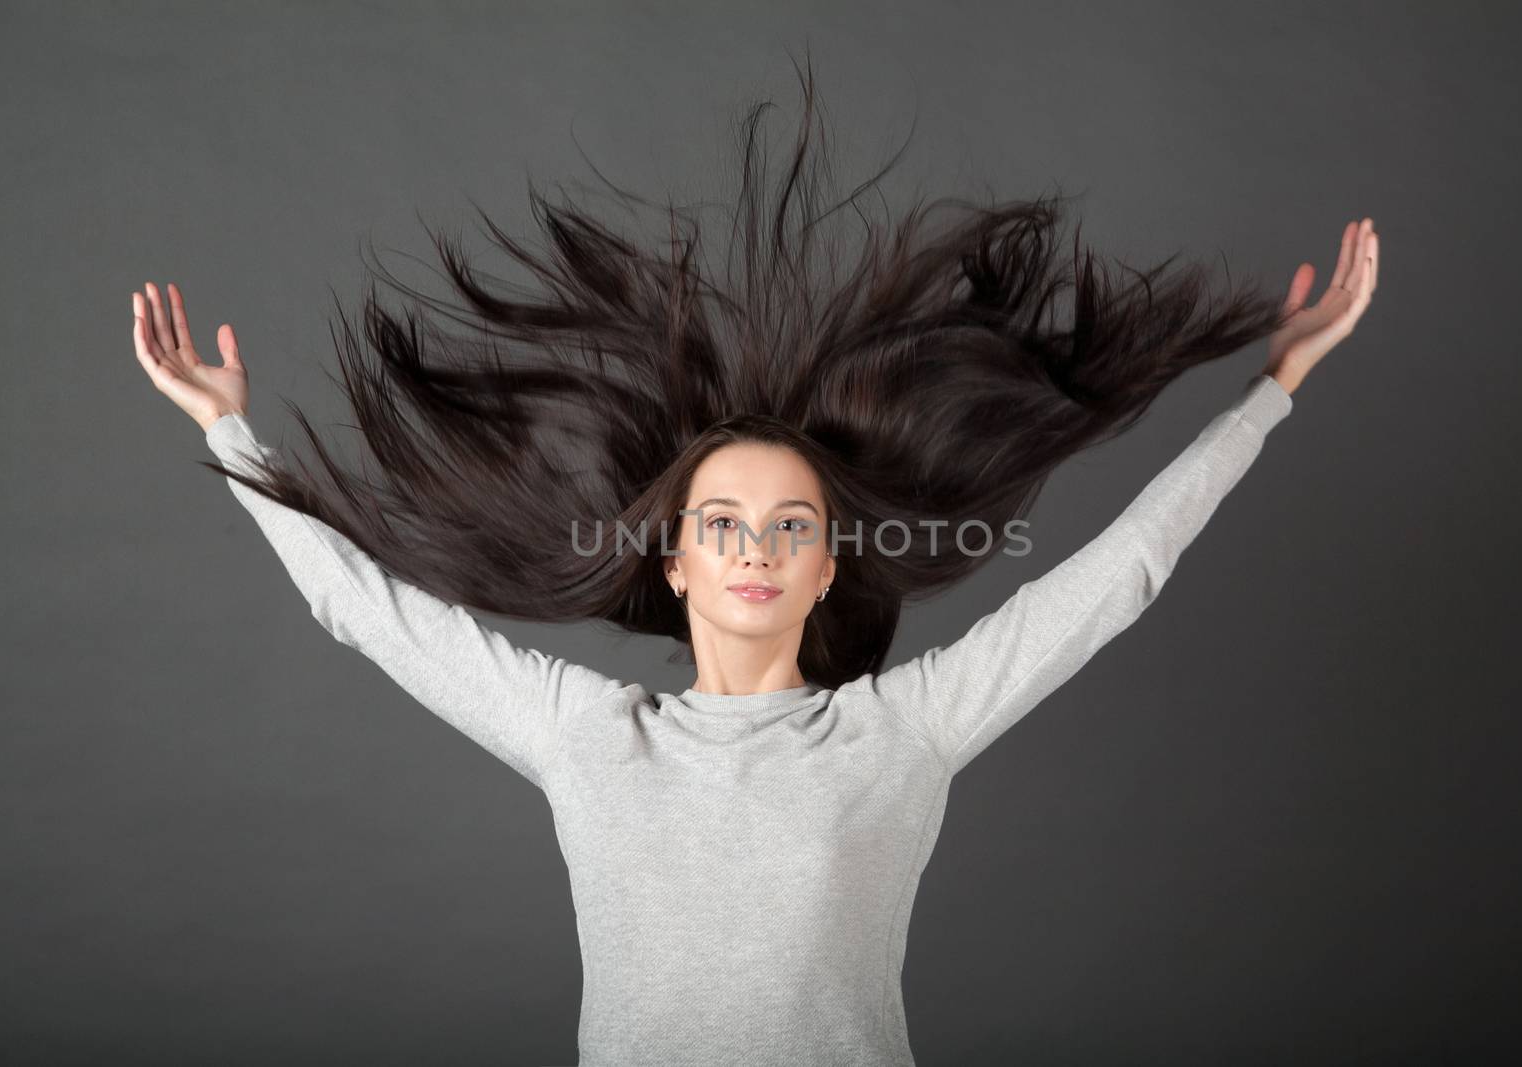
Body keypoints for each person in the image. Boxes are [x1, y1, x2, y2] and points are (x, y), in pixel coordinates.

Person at [130, 66, 1376, 1067]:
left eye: (793, 525)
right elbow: (366, 608)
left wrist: (1273, 388)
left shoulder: (902, 734)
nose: (757, 549)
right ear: (673, 560)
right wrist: (226, 428)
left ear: (831, 566)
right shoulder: (583, 734)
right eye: (722, 521)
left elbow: (1123, 574)